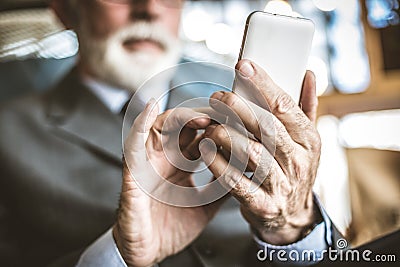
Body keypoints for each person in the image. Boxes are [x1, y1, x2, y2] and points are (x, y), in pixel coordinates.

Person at [0, 0, 343, 266]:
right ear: (66, 11)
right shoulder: (9, 132)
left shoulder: (244, 101)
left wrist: (294, 227)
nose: (148, 10)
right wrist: (119, 254)